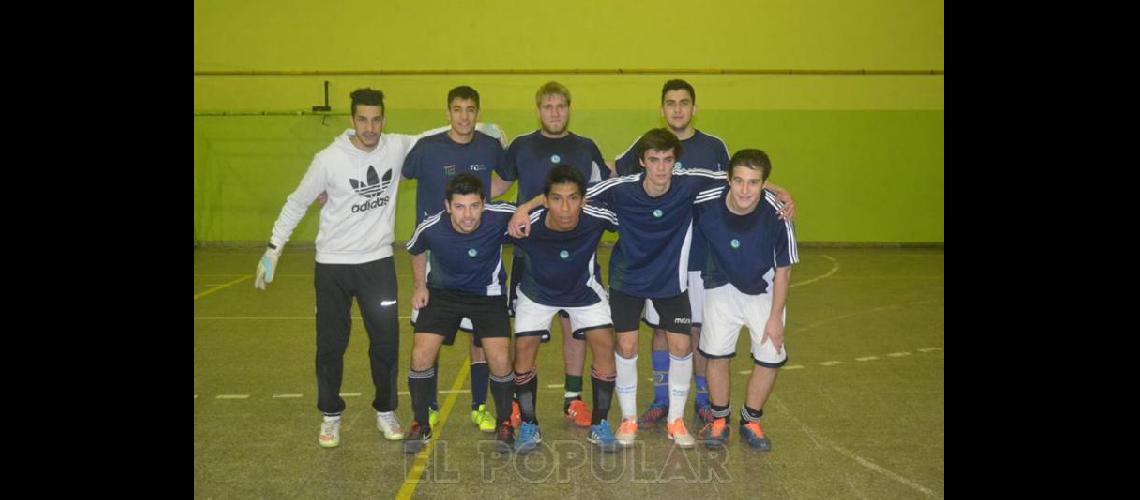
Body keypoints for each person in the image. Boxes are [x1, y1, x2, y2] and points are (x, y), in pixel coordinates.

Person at [255, 88, 503, 449]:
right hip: (333, 266)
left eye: (376, 119)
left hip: (378, 263)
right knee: (330, 346)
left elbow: (436, 135)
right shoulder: (328, 159)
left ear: (383, 120)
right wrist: (273, 250)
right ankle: (330, 415)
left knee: (386, 344)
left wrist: (483, 126)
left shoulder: (396, 146)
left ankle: (386, 411)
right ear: (352, 120)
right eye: (362, 120)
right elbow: (297, 202)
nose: (370, 127)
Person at [512, 128, 736, 448]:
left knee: (682, 347)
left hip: (670, 281)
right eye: (654, 160)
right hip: (627, 279)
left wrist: (779, 191)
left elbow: (738, 179)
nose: (661, 167)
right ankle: (628, 419)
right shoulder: (621, 187)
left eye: (667, 160)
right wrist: (525, 207)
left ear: (676, 163)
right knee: (626, 347)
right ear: (643, 162)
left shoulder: (690, 184)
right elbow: (572, 191)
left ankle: (676, 420)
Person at [613, 79, 795, 427]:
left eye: (684, 103)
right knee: (661, 331)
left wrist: (778, 189)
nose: (677, 109)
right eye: (670, 103)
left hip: (704, 258)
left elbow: (738, 177)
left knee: (696, 331)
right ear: (662, 109)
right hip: (664, 258)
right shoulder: (647, 143)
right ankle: (660, 400)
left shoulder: (713, 145)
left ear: (694, 108)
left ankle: (703, 401)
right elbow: (616, 174)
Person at [498, 81, 612, 427]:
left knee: (575, 329)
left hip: (577, 254)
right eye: (548, 107)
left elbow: (599, 191)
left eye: (560, 106)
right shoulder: (521, 146)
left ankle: (572, 400)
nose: (554, 113)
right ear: (538, 110)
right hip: (531, 254)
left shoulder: (585, 146)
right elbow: (500, 187)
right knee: (526, 336)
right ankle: (521, 404)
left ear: (569, 108)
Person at [402, 85, 512, 433]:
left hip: (479, 255)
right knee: (427, 342)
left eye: (470, 110)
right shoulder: (428, 147)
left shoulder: (489, 145)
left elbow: (506, 179)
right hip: (439, 255)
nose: (464, 116)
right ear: (448, 112)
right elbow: (396, 177)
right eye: (457, 109)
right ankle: (427, 409)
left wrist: (480, 206)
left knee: (479, 342)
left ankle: (480, 406)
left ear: (478, 113)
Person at [508, 165, 620, 453]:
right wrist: (524, 207)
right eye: (557, 199)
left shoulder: (597, 217)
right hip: (537, 292)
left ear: (583, 200)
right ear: (545, 200)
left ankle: (600, 424)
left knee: (606, 344)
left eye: (573, 198)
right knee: (523, 348)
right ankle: (529, 424)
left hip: (583, 291)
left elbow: (631, 209)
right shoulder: (527, 221)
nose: (566, 207)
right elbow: (485, 215)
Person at [403, 174, 518, 454]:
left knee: (500, 358)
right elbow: (416, 250)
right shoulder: (431, 226)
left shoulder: (499, 215)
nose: (468, 215)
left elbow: (530, 209)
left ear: (484, 204)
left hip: (486, 295)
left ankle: (505, 422)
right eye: (460, 207)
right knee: (420, 354)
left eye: (475, 206)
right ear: (447, 206)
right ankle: (420, 422)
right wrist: (419, 286)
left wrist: (525, 212)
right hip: (442, 294)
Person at [692, 149, 797, 451]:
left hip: (763, 290)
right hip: (720, 286)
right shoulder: (706, 200)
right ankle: (719, 419)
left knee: (770, 355)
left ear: (765, 184)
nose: (744, 190)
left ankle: (751, 419)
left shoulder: (778, 214)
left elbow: (784, 271)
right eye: (738, 181)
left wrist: (776, 317)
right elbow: (675, 183)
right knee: (717, 355)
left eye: (753, 182)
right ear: (728, 179)